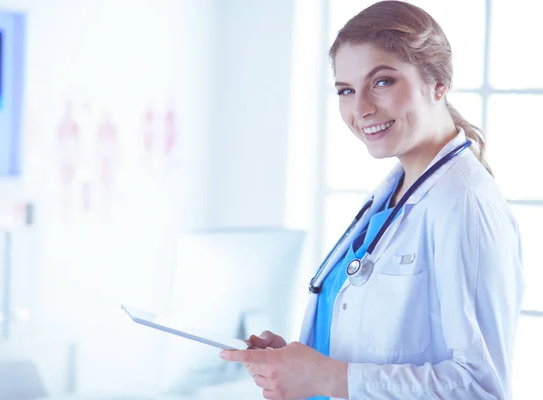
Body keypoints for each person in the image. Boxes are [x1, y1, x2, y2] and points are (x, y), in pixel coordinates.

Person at [219, 1, 524, 399]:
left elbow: (480, 388)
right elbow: (372, 352)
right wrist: (302, 362)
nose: (360, 108)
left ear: (438, 83)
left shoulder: (464, 204)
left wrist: (327, 377)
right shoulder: (395, 194)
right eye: (346, 90)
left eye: (382, 82)